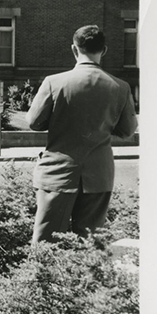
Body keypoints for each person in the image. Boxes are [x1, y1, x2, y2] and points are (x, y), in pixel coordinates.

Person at [27, 25, 138, 243]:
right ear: (103, 51)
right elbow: (127, 131)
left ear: (74, 49)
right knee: (90, 246)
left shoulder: (54, 82)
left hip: (57, 173)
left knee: (46, 244)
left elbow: (33, 122)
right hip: (98, 174)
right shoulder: (121, 87)